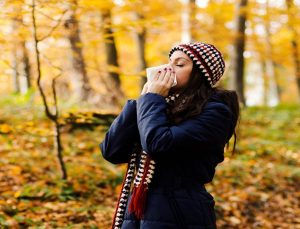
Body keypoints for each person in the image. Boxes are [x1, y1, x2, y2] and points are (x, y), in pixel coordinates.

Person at [100, 42, 240, 229]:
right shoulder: (158, 106)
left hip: (180, 212)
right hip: (138, 211)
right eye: (169, 62)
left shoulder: (215, 112)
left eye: (179, 64)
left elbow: (158, 144)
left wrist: (151, 100)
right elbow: (111, 151)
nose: (168, 68)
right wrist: (140, 102)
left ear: (201, 74)